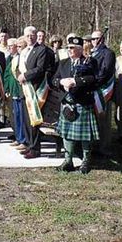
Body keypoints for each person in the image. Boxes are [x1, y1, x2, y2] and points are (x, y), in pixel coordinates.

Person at [53, 36, 99, 173]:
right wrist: (61, 82)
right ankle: (68, 161)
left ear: (80, 49)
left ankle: (86, 161)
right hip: (67, 103)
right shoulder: (63, 63)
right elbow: (53, 79)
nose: (69, 50)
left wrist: (75, 81)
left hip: (82, 102)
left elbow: (93, 79)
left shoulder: (90, 62)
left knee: (85, 136)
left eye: (72, 48)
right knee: (66, 134)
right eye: (68, 48)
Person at [17, 26, 56, 159]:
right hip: (24, 89)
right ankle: (29, 144)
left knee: (34, 120)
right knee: (27, 121)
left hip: (36, 89)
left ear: (36, 35)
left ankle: (35, 149)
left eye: (32, 35)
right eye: (27, 35)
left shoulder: (42, 50)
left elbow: (40, 69)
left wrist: (25, 76)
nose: (30, 37)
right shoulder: (24, 51)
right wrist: (20, 76)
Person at [90, 30, 116, 156]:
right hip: (91, 91)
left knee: (104, 120)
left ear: (103, 39)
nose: (95, 41)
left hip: (103, 91)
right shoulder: (91, 53)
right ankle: (94, 145)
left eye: (97, 39)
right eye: (93, 39)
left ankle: (104, 148)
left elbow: (105, 72)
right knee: (94, 120)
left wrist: (93, 82)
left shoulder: (108, 53)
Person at [4, 38, 27, 150]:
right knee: (16, 117)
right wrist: (6, 89)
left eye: (19, 47)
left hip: (21, 91)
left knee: (22, 117)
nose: (10, 48)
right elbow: (7, 75)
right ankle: (18, 138)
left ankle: (23, 139)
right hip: (13, 91)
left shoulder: (23, 58)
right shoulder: (11, 58)